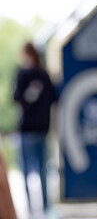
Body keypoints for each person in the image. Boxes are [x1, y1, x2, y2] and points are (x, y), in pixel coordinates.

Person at [13, 42, 56, 212]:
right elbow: (54, 98)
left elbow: (17, 99)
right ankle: (45, 207)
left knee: (26, 171)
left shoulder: (23, 74)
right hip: (43, 129)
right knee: (43, 170)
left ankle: (31, 208)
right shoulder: (44, 75)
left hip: (27, 129)